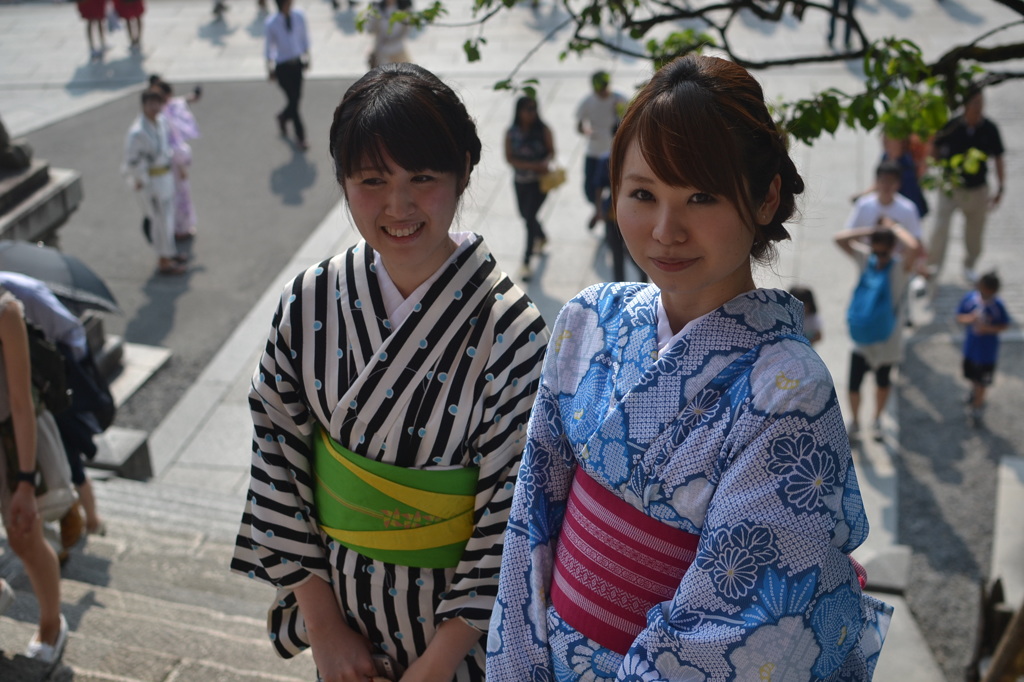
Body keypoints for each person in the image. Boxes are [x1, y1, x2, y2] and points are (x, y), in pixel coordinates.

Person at [488, 54, 892, 680]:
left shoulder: (790, 396)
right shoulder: (587, 320)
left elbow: (736, 634)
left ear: (765, 197)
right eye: (643, 194)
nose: (665, 230)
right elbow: (528, 528)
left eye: (701, 196)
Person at [231, 62, 550, 682]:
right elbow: (275, 447)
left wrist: (439, 660)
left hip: (459, 644)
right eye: (371, 180)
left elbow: (515, 513)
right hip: (340, 618)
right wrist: (323, 627)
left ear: (463, 172)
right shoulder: (311, 298)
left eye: (423, 178)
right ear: (342, 180)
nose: (398, 205)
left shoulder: (513, 331)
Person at [0, 272, 109, 550]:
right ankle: (80, 519)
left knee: (68, 451)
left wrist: (64, 368)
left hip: (49, 380)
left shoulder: (17, 295)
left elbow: (72, 330)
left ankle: (87, 517)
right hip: (25, 387)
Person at [0, 286, 68, 664]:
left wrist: (26, 481)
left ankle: (51, 626)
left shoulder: (5, 311)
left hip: (10, 440)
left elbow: (21, 404)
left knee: (25, 536)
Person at [835, 222, 921, 442]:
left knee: (882, 383)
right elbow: (839, 239)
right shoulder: (866, 259)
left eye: (884, 252)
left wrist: (894, 228)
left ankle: (876, 420)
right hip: (863, 338)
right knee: (854, 384)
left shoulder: (900, 268)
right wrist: (871, 232)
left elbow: (913, 247)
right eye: (876, 250)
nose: (880, 256)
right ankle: (855, 421)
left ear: (893, 249)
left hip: (888, 340)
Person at [927, 86, 1006, 284]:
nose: (978, 108)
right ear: (965, 105)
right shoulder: (952, 125)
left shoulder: (989, 128)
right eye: (975, 103)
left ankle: (969, 265)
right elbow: (934, 148)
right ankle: (932, 267)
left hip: (978, 189)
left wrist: (1001, 187)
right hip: (951, 187)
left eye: (981, 103)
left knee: (974, 233)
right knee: (940, 229)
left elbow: (998, 157)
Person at [123, 90, 186, 276]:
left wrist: (178, 166)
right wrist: (140, 179)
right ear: (143, 105)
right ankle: (163, 260)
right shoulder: (137, 132)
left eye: (157, 103)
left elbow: (168, 148)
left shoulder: (161, 122)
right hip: (151, 182)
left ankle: (170, 253)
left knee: (168, 219)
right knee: (159, 222)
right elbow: (132, 161)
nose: (155, 107)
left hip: (165, 177)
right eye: (151, 104)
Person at [505, 95, 554, 281]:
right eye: (528, 109)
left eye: (534, 109)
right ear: (519, 111)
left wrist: (544, 163)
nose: (531, 113)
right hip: (520, 181)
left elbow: (552, 151)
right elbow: (509, 158)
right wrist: (534, 166)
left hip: (540, 183)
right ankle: (541, 236)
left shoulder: (543, 130)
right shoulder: (511, 132)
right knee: (525, 215)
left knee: (529, 219)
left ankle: (526, 261)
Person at [150, 76, 202, 242]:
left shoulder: (156, 115)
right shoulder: (163, 118)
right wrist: (181, 166)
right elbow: (173, 147)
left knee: (170, 198)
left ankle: (175, 228)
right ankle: (179, 230)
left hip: (161, 166)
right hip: (170, 165)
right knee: (178, 196)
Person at [956, 271, 1010, 428]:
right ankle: (974, 394)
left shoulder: (998, 306)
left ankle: (977, 408)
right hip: (971, 350)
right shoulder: (970, 299)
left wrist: (987, 329)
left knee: (983, 383)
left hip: (987, 354)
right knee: (973, 378)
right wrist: (970, 319)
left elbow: (1004, 325)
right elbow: (959, 316)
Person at [575, 70, 628, 230]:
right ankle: (601, 209)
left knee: (615, 187)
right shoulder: (588, 102)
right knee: (590, 189)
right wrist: (587, 132)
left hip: (613, 151)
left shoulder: (619, 99)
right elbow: (579, 124)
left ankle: (605, 212)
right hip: (594, 150)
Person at [265, 0, 311, 151]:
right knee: (293, 101)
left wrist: (307, 56)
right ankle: (301, 136)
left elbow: (304, 37)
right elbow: (268, 47)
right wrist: (269, 68)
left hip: (296, 64)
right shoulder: (271, 22)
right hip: (283, 67)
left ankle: (284, 116)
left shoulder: (298, 16)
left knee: (296, 98)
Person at [367, 0, 413, 68]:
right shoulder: (378, 9)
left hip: (398, 48)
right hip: (382, 50)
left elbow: (406, 28)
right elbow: (370, 29)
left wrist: (394, 39)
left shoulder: (403, 8)